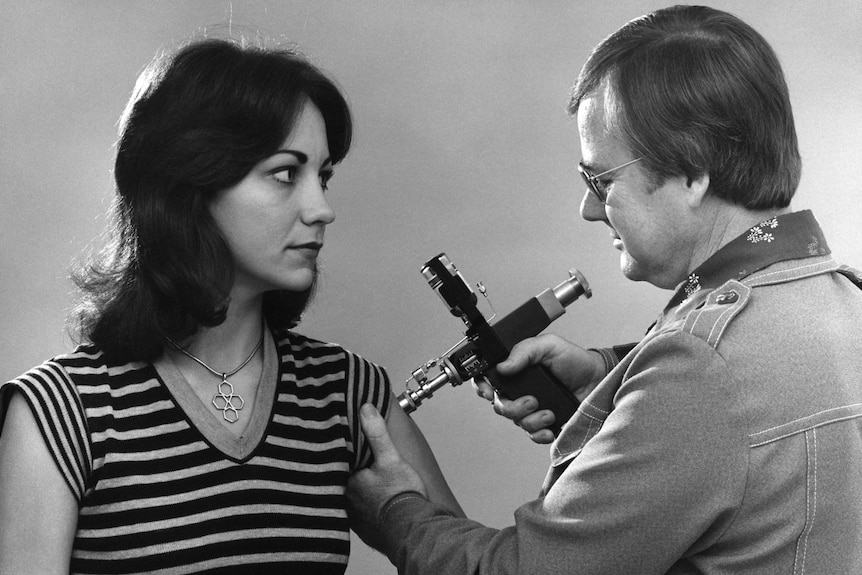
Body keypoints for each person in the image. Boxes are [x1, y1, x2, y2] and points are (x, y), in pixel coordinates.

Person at [346, 5, 862, 574]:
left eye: (600, 180)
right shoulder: (845, 303)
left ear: (692, 172)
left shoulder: (701, 368)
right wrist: (611, 376)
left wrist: (396, 514)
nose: (590, 209)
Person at [0, 37, 462, 574]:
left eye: (324, 176)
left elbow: (472, 565)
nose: (322, 209)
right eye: (286, 173)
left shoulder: (347, 394)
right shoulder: (61, 414)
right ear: (191, 183)